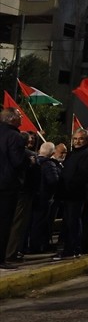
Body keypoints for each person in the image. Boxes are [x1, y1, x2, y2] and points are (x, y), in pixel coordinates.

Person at [55, 128, 88, 261]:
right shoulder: (72, 154)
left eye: (80, 139)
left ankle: (72, 249)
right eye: (75, 139)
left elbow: (84, 176)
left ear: (87, 140)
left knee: (74, 223)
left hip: (76, 194)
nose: (77, 141)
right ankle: (72, 249)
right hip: (69, 194)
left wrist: (72, 186)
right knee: (69, 222)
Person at [0, 109, 32, 270]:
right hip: (7, 186)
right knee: (5, 222)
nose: (22, 118)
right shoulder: (16, 137)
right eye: (20, 116)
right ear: (12, 119)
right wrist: (29, 160)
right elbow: (18, 162)